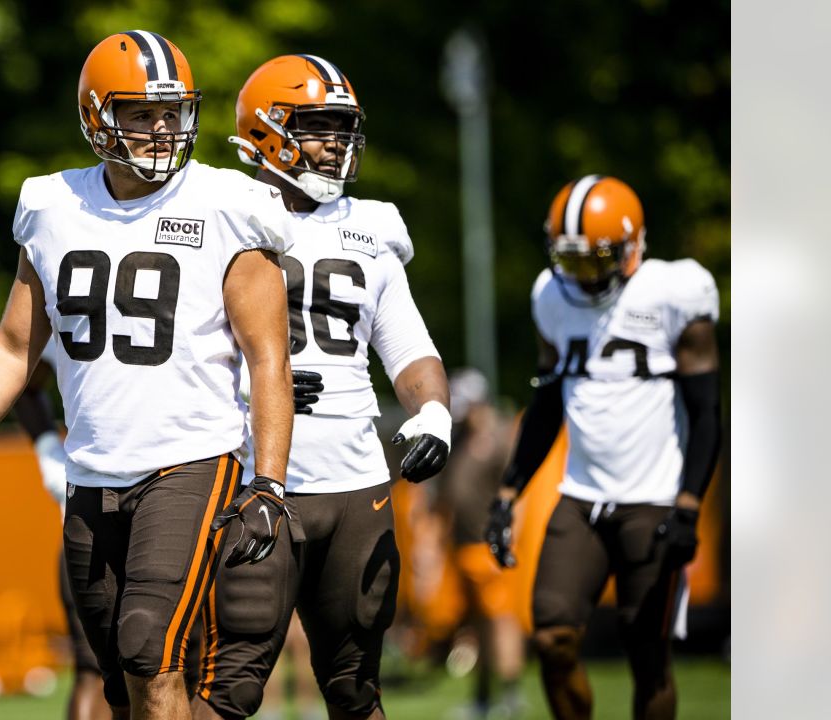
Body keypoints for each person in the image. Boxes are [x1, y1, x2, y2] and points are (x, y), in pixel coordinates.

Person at [0, 31, 295, 720]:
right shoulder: (53, 206)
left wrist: (268, 480)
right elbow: (12, 347)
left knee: (149, 648)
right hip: (91, 474)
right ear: (95, 116)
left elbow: (269, 358)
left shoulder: (227, 204)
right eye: (141, 112)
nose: (160, 128)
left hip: (190, 460)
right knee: (119, 681)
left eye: (171, 111)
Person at [192, 54, 451, 720]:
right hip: (251, 474)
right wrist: (251, 390)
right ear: (268, 129)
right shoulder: (217, 213)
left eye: (344, 128)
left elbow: (412, 351)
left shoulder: (373, 230)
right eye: (318, 126)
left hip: (356, 479)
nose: (336, 142)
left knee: (355, 687)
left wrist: (433, 414)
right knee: (230, 686)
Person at [484, 175, 721, 720]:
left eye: (596, 260)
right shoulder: (551, 295)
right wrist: (508, 491)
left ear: (634, 248)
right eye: (571, 260)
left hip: (654, 498)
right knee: (552, 637)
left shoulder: (674, 293)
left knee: (648, 655)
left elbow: (708, 410)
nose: (581, 276)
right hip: (581, 496)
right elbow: (547, 403)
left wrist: (689, 504)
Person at [11, 361, 109, 720]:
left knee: (101, 670)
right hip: (93, 517)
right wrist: (51, 456)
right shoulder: (62, 304)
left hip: (158, 511)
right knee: (93, 669)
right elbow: (18, 369)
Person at [432, 368, 524, 719]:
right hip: (462, 546)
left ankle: (511, 694)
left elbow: (518, 491)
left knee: (500, 620)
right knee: (478, 625)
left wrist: (509, 533)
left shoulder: (500, 439)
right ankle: (484, 697)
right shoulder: (459, 442)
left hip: (490, 545)